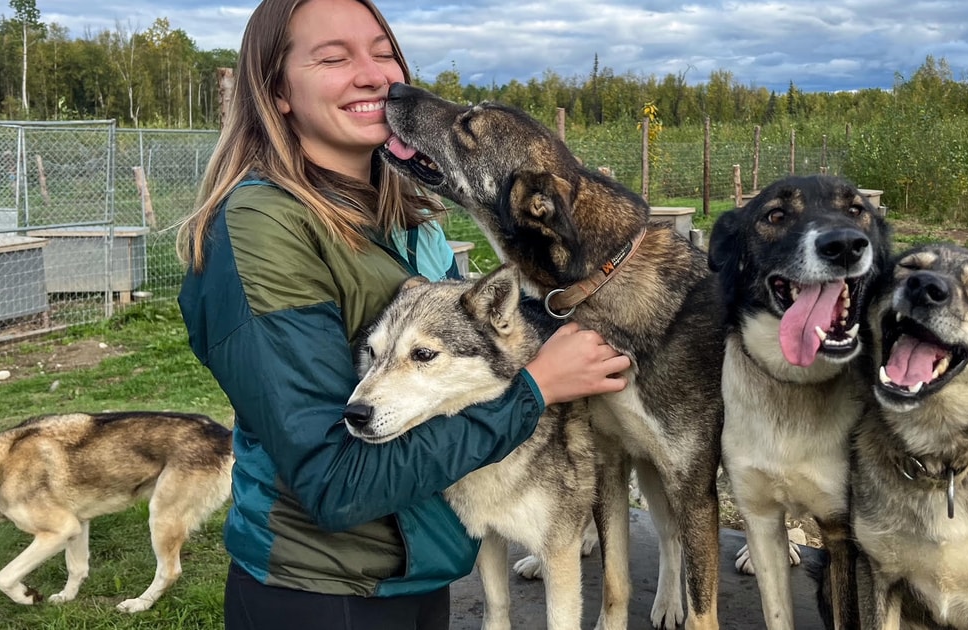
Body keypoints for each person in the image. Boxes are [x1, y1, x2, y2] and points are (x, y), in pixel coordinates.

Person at [174, 0, 631, 628]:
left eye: (383, 51)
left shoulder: (404, 221)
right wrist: (537, 388)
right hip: (321, 590)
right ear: (276, 90)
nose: (372, 74)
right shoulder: (262, 227)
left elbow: (476, 351)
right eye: (333, 57)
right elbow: (335, 482)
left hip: (417, 569)